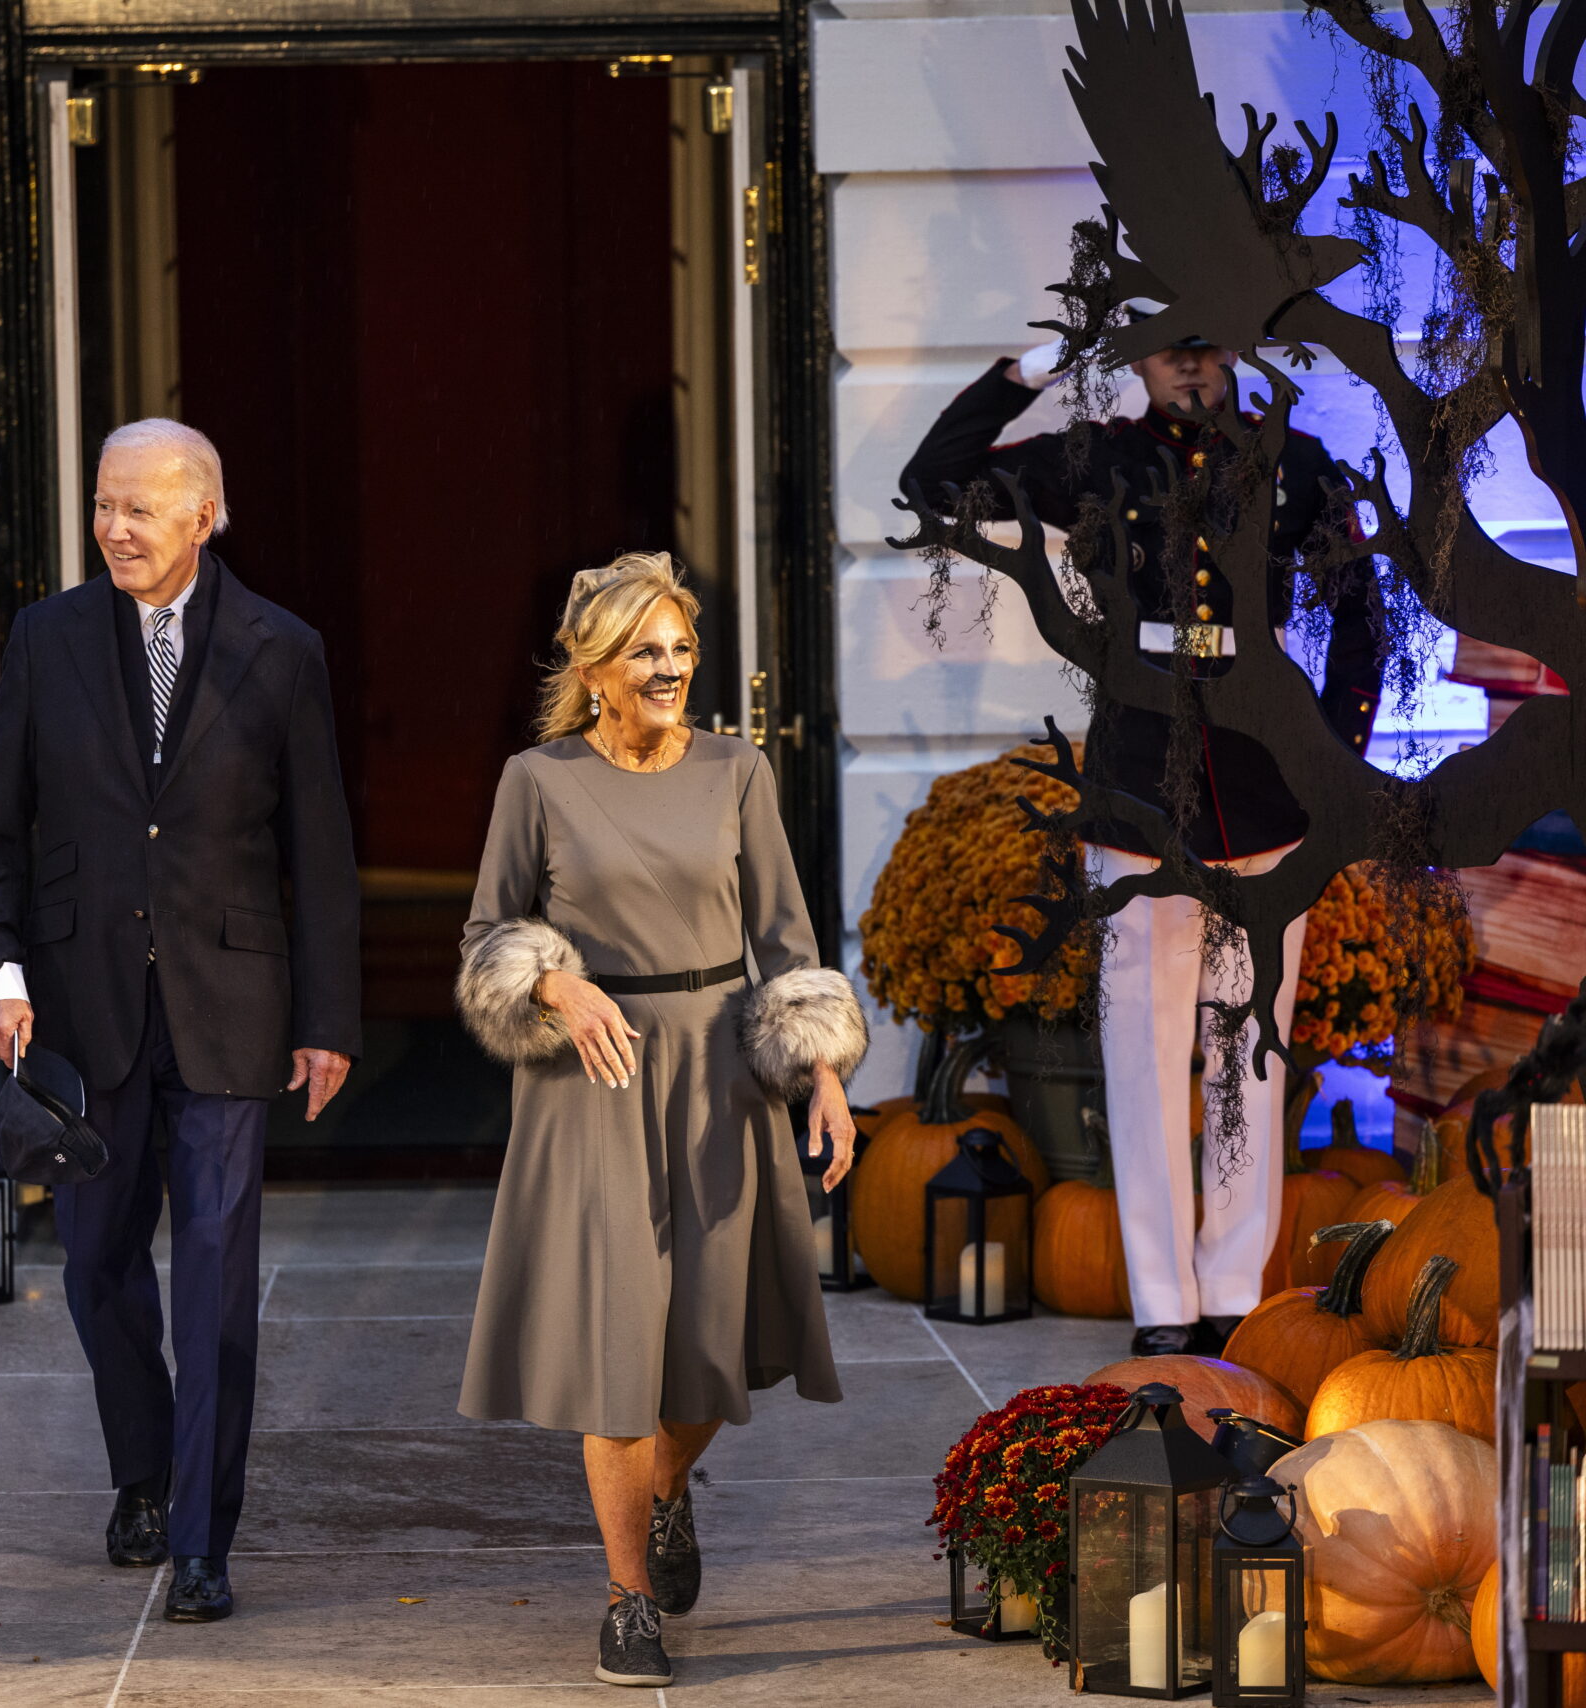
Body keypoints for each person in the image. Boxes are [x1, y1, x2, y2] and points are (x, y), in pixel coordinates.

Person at [898, 313, 1381, 1358]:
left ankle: (1235, 1295)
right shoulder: (1099, 463)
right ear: (1136, 358)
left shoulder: (1291, 464)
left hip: (1263, 783)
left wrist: (1336, 755)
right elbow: (934, 479)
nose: (1191, 361)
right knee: (1144, 1054)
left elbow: (1358, 609)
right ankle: (1163, 1304)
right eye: (1168, 343)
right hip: (1135, 783)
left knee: (1247, 1053)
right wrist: (1038, 363)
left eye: (1207, 341)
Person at [0, 418, 360, 1624]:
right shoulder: (49, 638)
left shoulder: (283, 651)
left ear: (205, 516)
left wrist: (328, 1018)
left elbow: (319, 854)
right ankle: (141, 1468)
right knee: (95, 1267)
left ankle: (198, 1535)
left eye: (141, 509)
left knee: (218, 1279)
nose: (114, 528)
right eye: (102, 504)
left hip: (229, 1007)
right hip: (80, 1009)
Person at [453, 553, 866, 1689]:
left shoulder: (738, 772)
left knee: (713, 1347)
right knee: (620, 1349)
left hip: (721, 1075)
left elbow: (785, 937)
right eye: (647, 650)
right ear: (595, 671)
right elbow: (488, 933)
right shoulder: (534, 780)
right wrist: (557, 984)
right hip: (594, 1084)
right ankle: (628, 1598)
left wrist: (823, 1072)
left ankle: (671, 1487)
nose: (672, 667)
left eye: (682, 647)